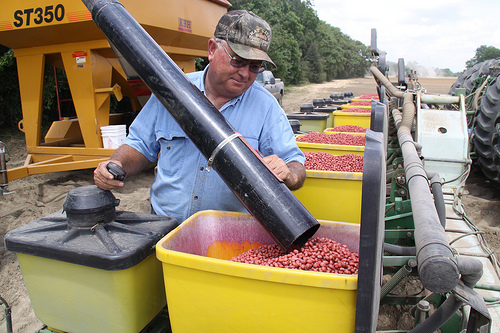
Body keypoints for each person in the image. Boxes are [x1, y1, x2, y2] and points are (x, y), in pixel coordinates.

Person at [94, 10, 306, 224]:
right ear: (212, 49)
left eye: (255, 66)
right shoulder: (172, 92)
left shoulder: (266, 107)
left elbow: (295, 165)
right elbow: (139, 144)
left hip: (229, 236)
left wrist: (289, 173)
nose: (245, 73)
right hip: (165, 228)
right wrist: (116, 164)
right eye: (238, 61)